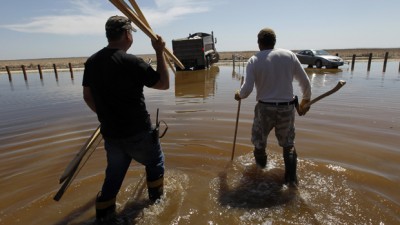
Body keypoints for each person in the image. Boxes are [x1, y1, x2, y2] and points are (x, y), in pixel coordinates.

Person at [82, 15, 169, 222]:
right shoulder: (131, 61)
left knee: (113, 176)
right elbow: (163, 84)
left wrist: (107, 116)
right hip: (138, 132)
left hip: (111, 134)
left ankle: (103, 216)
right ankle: (157, 205)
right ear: (127, 34)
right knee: (155, 163)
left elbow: (87, 96)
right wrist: (159, 51)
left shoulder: (92, 62)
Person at [234, 28, 311, 188]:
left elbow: (246, 90)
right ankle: (291, 182)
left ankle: (261, 174)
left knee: (259, 144)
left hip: (265, 109)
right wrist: (306, 100)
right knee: (288, 145)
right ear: (274, 41)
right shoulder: (289, 56)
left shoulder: (254, 60)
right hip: (287, 108)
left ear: (259, 43)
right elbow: (305, 82)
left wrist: (239, 95)